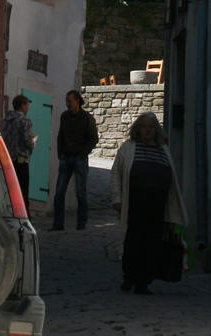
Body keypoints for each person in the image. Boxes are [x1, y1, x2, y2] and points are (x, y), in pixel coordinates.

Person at [110, 112, 186, 295]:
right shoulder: (128, 148)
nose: (148, 130)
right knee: (134, 239)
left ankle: (144, 281)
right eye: (144, 127)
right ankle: (129, 277)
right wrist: (117, 199)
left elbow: (172, 178)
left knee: (152, 242)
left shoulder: (163, 150)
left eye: (151, 127)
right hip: (135, 201)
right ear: (138, 128)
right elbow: (116, 175)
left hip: (157, 203)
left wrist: (172, 209)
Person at [51, 89, 100, 230]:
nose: (67, 104)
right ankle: (58, 223)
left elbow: (93, 139)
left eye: (70, 101)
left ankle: (81, 223)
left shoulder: (86, 118)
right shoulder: (64, 116)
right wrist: (60, 153)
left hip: (79, 159)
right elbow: (60, 135)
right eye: (67, 101)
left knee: (80, 192)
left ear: (77, 101)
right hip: (66, 157)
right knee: (59, 192)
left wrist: (83, 153)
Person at [0, 94, 36, 205]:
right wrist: (33, 142)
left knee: (9, 190)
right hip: (21, 160)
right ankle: (24, 216)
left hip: (7, 160)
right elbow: (27, 140)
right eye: (27, 105)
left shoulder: (5, 120)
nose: (28, 108)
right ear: (22, 105)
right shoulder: (25, 121)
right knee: (22, 191)